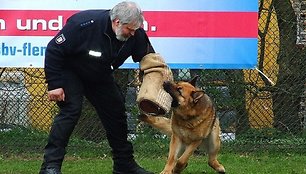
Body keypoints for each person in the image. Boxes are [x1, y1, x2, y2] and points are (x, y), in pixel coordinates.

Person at [39, 1, 155, 174]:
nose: (132, 34)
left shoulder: (135, 34)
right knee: (71, 111)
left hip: (99, 74)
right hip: (71, 71)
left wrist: (156, 79)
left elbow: (148, 58)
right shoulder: (83, 24)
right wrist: (54, 84)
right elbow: (54, 49)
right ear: (117, 22)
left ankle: (124, 165)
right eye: (129, 30)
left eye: (135, 30)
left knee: (116, 111)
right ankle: (50, 166)